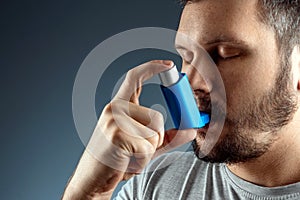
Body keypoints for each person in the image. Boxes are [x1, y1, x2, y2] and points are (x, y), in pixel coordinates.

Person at [62, 0, 300, 199]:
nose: (193, 81)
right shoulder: (153, 185)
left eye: (225, 54)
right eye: (187, 56)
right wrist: (88, 192)